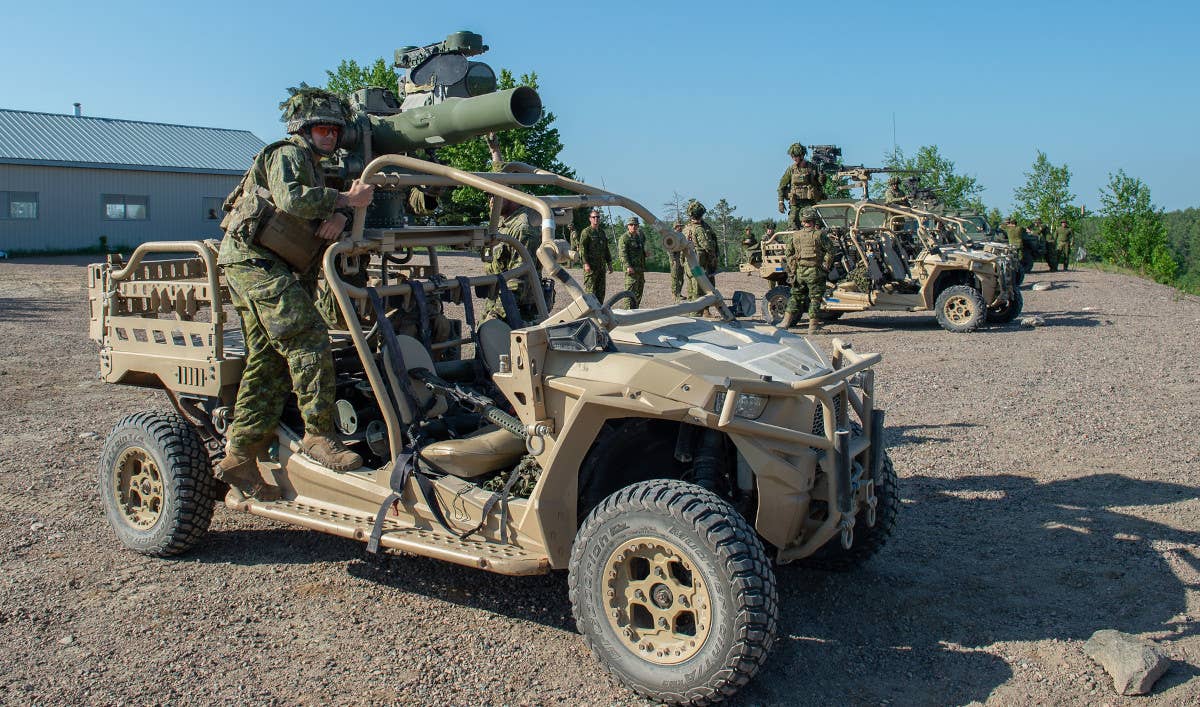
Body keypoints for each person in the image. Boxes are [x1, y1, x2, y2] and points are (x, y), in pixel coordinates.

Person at [215, 86, 374, 498]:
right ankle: (318, 436)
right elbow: (293, 199)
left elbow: (316, 205)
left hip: (262, 263)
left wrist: (339, 211)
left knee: (268, 360)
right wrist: (346, 200)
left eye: (335, 131)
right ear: (303, 129)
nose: (330, 137)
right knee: (308, 337)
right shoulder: (287, 152)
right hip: (255, 262)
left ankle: (240, 455)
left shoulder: (314, 164)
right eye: (322, 129)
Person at [485, 201, 543, 322]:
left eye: (495, 195)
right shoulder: (503, 223)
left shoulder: (523, 227)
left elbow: (520, 279)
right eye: (489, 195)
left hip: (515, 311)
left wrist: (496, 314)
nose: (491, 202)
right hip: (498, 302)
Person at [779, 208, 831, 335]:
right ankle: (813, 327)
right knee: (815, 299)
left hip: (800, 272)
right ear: (814, 221)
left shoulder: (795, 235)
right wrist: (825, 265)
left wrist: (793, 267)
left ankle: (784, 323)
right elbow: (831, 251)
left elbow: (788, 253)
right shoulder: (819, 235)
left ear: (802, 221)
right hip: (815, 271)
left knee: (795, 296)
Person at [777, 143, 825, 230]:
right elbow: (781, 186)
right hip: (796, 203)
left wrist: (822, 175)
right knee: (792, 225)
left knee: (817, 225)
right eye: (792, 156)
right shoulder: (791, 169)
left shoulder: (812, 167)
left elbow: (821, 183)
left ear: (802, 155)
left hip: (810, 203)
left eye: (796, 156)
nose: (794, 158)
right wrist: (780, 202)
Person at [683, 200, 720, 305]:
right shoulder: (700, 229)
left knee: (691, 287)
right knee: (701, 287)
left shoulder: (686, 228)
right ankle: (699, 312)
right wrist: (713, 259)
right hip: (700, 264)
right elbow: (707, 246)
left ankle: (692, 311)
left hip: (688, 263)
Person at [578, 207, 613, 302]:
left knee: (601, 292)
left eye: (597, 217)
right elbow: (582, 249)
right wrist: (585, 263)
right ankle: (591, 314)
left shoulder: (602, 232)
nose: (596, 219)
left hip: (601, 267)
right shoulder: (586, 232)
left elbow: (606, 249)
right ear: (590, 218)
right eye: (593, 217)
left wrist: (609, 263)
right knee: (590, 292)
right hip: (591, 268)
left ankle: (599, 313)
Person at [618, 216, 648, 307]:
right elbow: (623, 254)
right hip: (631, 270)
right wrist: (628, 266)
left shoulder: (639, 237)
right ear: (628, 226)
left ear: (638, 226)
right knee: (629, 294)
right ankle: (627, 313)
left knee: (639, 293)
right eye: (631, 225)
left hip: (640, 269)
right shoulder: (624, 238)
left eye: (635, 225)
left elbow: (641, 249)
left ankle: (635, 312)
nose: (633, 226)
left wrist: (645, 253)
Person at [669, 220, 685, 301]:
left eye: (681, 226)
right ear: (675, 227)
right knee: (675, 276)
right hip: (675, 257)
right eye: (679, 226)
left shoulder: (681, 234)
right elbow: (670, 248)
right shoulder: (672, 235)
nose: (681, 227)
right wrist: (673, 259)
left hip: (681, 257)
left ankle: (679, 293)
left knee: (681, 277)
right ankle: (674, 294)